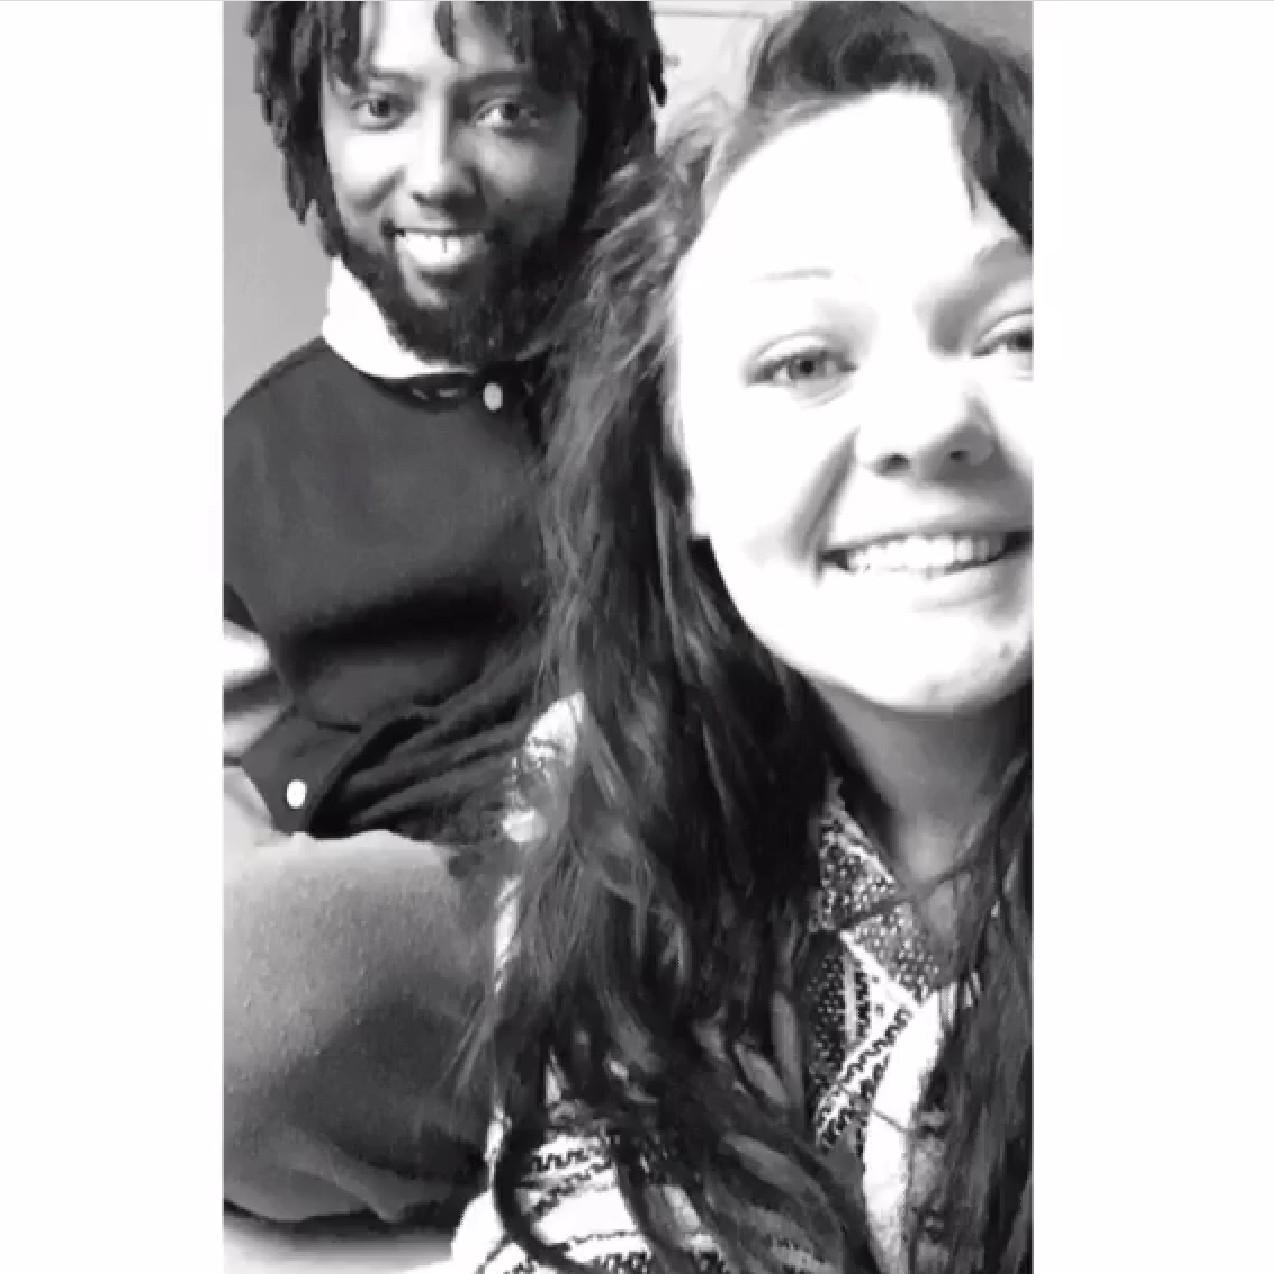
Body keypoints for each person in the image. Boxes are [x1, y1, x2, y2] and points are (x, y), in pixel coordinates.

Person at [447, 3, 1032, 1273]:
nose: (927, 423)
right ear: (681, 472)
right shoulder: (604, 785)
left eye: (1023, 336)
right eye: (803, 361)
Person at [223, 0, 666, 1226]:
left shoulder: (670, 375)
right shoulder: (251, 460)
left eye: (508, 109)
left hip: (665, 869)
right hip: (409, 944)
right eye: (379, 105)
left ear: (595, 119)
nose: (435, 173)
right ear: (310, 126)